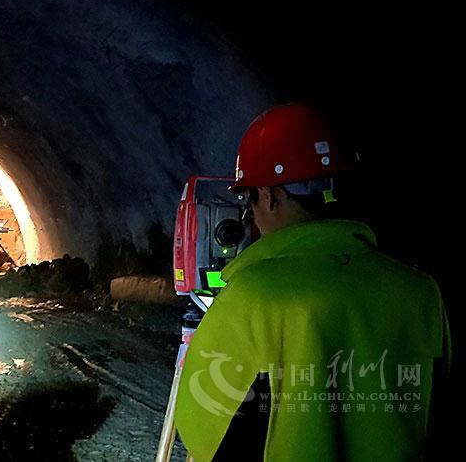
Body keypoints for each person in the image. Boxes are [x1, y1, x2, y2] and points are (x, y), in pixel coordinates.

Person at [174, 104, 449, 461]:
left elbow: (203, 430)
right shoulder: (421, 291)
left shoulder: (254, 295)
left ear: (270, 196)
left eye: (249, 199)